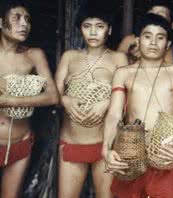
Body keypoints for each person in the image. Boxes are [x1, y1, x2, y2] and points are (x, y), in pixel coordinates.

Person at [103, 14, 173, 198]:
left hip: (166, 151)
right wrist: (106, 149)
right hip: (130, 151)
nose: (153, 42)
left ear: (168, 44)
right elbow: (114, 115)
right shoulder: (123, 73)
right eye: (147, 36)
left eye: (160, 37)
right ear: (137, 40)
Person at [55, 5, 128, 198]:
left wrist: (107, 103)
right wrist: (66, 100)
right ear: (81, 29)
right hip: (72, 141)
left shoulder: (118, 58)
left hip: (106, 143)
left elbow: (128, 94)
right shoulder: (69, 57)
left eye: (100, 26)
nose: (93, 32)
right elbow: (54, 94)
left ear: (109, 29)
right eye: (87, 26)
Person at [0, 1, 58, 197]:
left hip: (19, 141)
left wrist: (10, 100)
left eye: (27, 20)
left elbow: (52, 96)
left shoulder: (33, 55)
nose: (24, 24)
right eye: (17, 17)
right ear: (1, 22)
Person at [117, 0, 173, 65]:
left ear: (172, 25)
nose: (153, 18)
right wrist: (131, 58)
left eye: (160, 15)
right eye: (151, 13)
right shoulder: (130, 40)